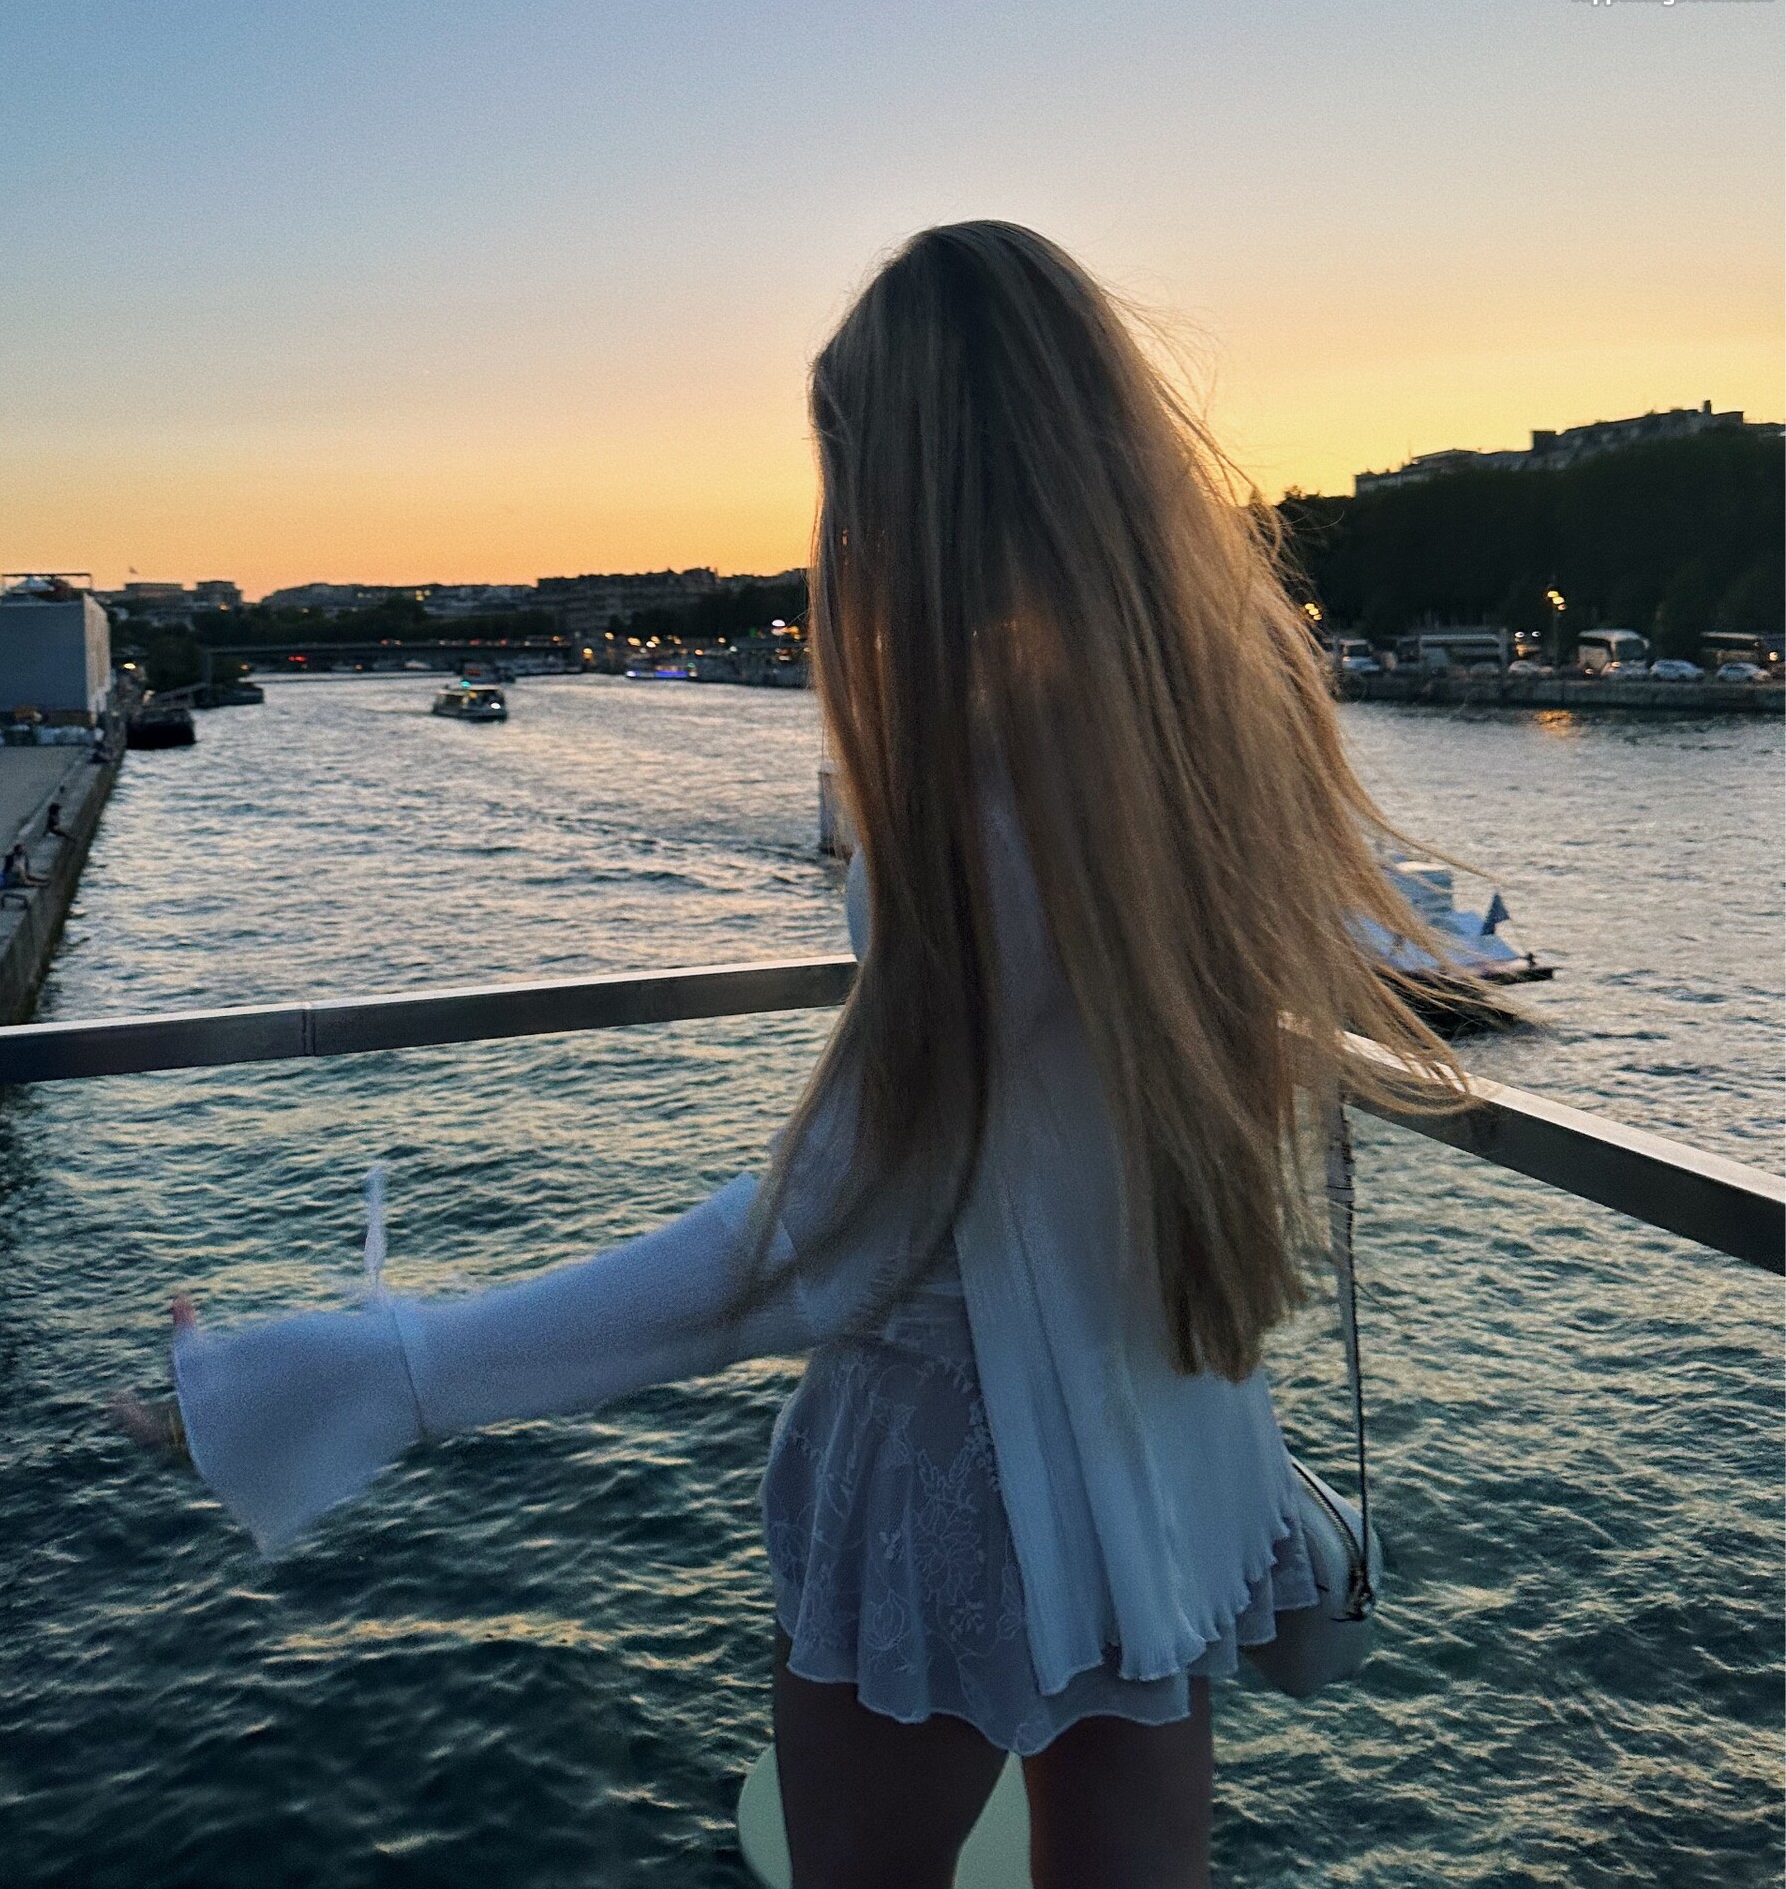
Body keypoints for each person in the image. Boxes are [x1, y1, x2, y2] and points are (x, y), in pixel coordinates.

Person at [115, 224, 1463, 1887]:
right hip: (1174, 1420)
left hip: (968, 1464)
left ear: (911, 491)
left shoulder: (995, 797)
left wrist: (375, 1376)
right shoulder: (1215, 735)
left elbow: (829, 1238)